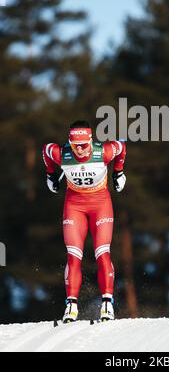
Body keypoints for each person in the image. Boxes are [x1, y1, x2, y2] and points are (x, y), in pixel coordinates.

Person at [42, 120, 126, 322]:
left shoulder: (103, 152)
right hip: (74, 206)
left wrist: (118, 171)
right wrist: (51, 175)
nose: (80, 150)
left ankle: (107, 303)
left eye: (84, 145)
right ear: (70, 143)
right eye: (75, 146)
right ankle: (71, 306)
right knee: (73, 255)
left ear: (91, 140)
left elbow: (121, 147)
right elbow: (46, 150)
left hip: (100, 204)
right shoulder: (62, 154)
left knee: (102, 252)